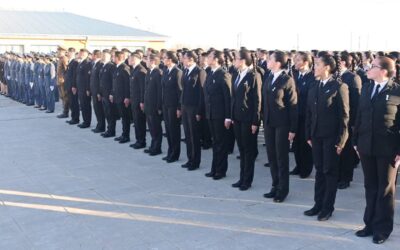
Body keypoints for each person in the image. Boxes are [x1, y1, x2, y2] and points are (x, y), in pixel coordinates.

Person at [353, 56, 400, 244]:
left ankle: (382, 229)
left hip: (388, 148)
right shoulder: (366, 88)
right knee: (370, 186)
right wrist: (355, 141)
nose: (368, 69)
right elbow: (359, 116)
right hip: (366, 145)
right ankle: (369, 224)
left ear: (383, 71)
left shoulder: (396, 91)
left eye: (372, 66)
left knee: (385, 189)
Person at [304, 52, 349, 221]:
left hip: (331, 137)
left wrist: (341, 140)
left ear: (327, 67)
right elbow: (309, 112)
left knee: (329, 172)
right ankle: (318, 204)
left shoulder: (339, 87)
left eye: (317, 65)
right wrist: (308, 133)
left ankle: (327, 207)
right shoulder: (314, 86)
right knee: (319, 171)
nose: (314, 68)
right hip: (316, 136)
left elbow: (344, 116)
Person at [262, 50, 298, 203]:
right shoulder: (269, 77)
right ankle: (274, 185)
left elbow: (293, 106)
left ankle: (283, 190)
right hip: (269, 123)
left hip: (282, 124)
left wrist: (293, 129)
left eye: (270, 59)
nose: (267, 62)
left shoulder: (287, 80)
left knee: (281, 157)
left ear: (277, 63)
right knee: (271, 156)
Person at [231, 50, 262, 190]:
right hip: (237, 118)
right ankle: (241, 177)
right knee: (241, 149)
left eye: (236, 59)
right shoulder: (236, 75)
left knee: (248, 151)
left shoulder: (253, 76)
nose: (234, 61)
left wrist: (256, 121)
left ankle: (247, 180)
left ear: (243, 60)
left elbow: (257, 100)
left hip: (248, 120)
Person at [204, 50, 232, 180]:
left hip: (220, 115)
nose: (207, 58)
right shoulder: (210, 73)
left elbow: (228, 98)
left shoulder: (223, 75)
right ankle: (214, 168)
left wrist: (228, 116)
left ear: (216, 59)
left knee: (221, 143)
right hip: (211, 113)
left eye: (209, 57)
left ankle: (221, 170)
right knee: (215, 142)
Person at [290, 51, 315, 178]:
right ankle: (298, 165)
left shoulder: (312, 77)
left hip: (306, 115)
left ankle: (306, 168)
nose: (295, 62)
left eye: (298, 60)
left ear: (305, 62)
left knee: (306, 143)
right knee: (296, 143)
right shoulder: (294, 75)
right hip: (295, 114)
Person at [181, 51, 207, 171]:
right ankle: (189, 158)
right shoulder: (185, 71)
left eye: (184, 58)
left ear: (191, 59)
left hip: (194, 108)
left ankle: (195, 161)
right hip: (185, 106)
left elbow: (202, 93)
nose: (182, 60)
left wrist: (199, 111)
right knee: (187, 134)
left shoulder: (199, 72)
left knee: (194, 135)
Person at [161, 51, 183, 162]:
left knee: (174, 131)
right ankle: (170, 152)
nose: (163, 59)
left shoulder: (177, 72)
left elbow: (180, 91)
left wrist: (179, 108)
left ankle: (175, 154)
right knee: (168, 130)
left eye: (164, 58)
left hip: (174, 106)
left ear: (170, 59)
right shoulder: (166, 71)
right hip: (166, 104)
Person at [143, 54, 163, 155]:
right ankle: (152, 145)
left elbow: (160, 92)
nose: (145, 62)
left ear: (153, 62)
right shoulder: (149, 72)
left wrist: (159, 106)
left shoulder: (157, 73)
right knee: (151, 127)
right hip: (148, 105)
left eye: (147, 60)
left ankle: (157, 148)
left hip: (154, 106)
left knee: (156, 128)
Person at [111, 51, 131, 144]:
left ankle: (126, 136)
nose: (112, 58)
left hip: (123, 98)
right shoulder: (117, 68)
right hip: (118, 97)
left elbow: (127, 84)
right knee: (123, 117)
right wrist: (112, 94)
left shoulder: (124, 68)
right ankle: (123, 134)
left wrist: (127, 97)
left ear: (118, 58)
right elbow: (115, 83)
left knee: (125, 117)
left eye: (114, 57)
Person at [128, 52, 147, 149]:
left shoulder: (141, 71)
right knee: (136, 121)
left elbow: (143, 88)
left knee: (140, 122)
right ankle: (138, 140)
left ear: (136, 59)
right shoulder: (134, 69)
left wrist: (142, 101)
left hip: (139, 101)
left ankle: (141, 141)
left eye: (130, 58)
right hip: (134, 100)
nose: (128, 60)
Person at [99, 49, 117, 138]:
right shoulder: (103, 66)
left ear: (109, 57)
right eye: (102, 55)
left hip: (109, 94)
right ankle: (108, 129)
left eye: (104, 56)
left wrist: (111, 93)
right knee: (106, 112)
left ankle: (111, 131)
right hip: (103, 94)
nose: (102, 57)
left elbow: (113, 82)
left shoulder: (111, 66)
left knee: (110, 113)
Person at [90, 50, 105, 133]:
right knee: (96, 109)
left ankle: (101, 126)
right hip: (94, 90)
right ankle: (99, 125)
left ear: (95, 55)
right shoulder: (95, 64)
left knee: (99, 109)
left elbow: (100, 80)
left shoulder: (100, 65)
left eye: (92, 54)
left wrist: (99, 92)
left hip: (97, 91)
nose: (91, 56)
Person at [76, 48, 92, 128]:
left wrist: (88, 89)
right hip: (80, 88)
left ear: (83, 54)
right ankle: (84, 121)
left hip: (85, 89)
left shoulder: (87, 63)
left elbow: (88, 78)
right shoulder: (81, 63)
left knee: (86, 106)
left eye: (79, 53)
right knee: (82, 105)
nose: (78, 54)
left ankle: (87, 122)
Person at [65, 48, 80, 125]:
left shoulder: (75, 62)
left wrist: (74, 86)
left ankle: (76, 119)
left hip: (72, 86)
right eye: (68, 52)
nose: (68, 53)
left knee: (74, 103)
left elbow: (75, 75)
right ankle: (73, 117)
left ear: (73, 53)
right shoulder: (70, 62)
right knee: (71, 102)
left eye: (69, 52)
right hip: (69, 85)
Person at [56, 47, 69, 118]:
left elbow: (66, 70)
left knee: (65, 97)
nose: (58, 53)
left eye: (59, 51)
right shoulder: (60, 59)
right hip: (59, 81)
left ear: (63, 52)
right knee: (62, 97)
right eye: (58, 51)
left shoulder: (64, 59)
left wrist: (65, 80)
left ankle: (65, 112)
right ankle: (64, 111)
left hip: (63, 81)